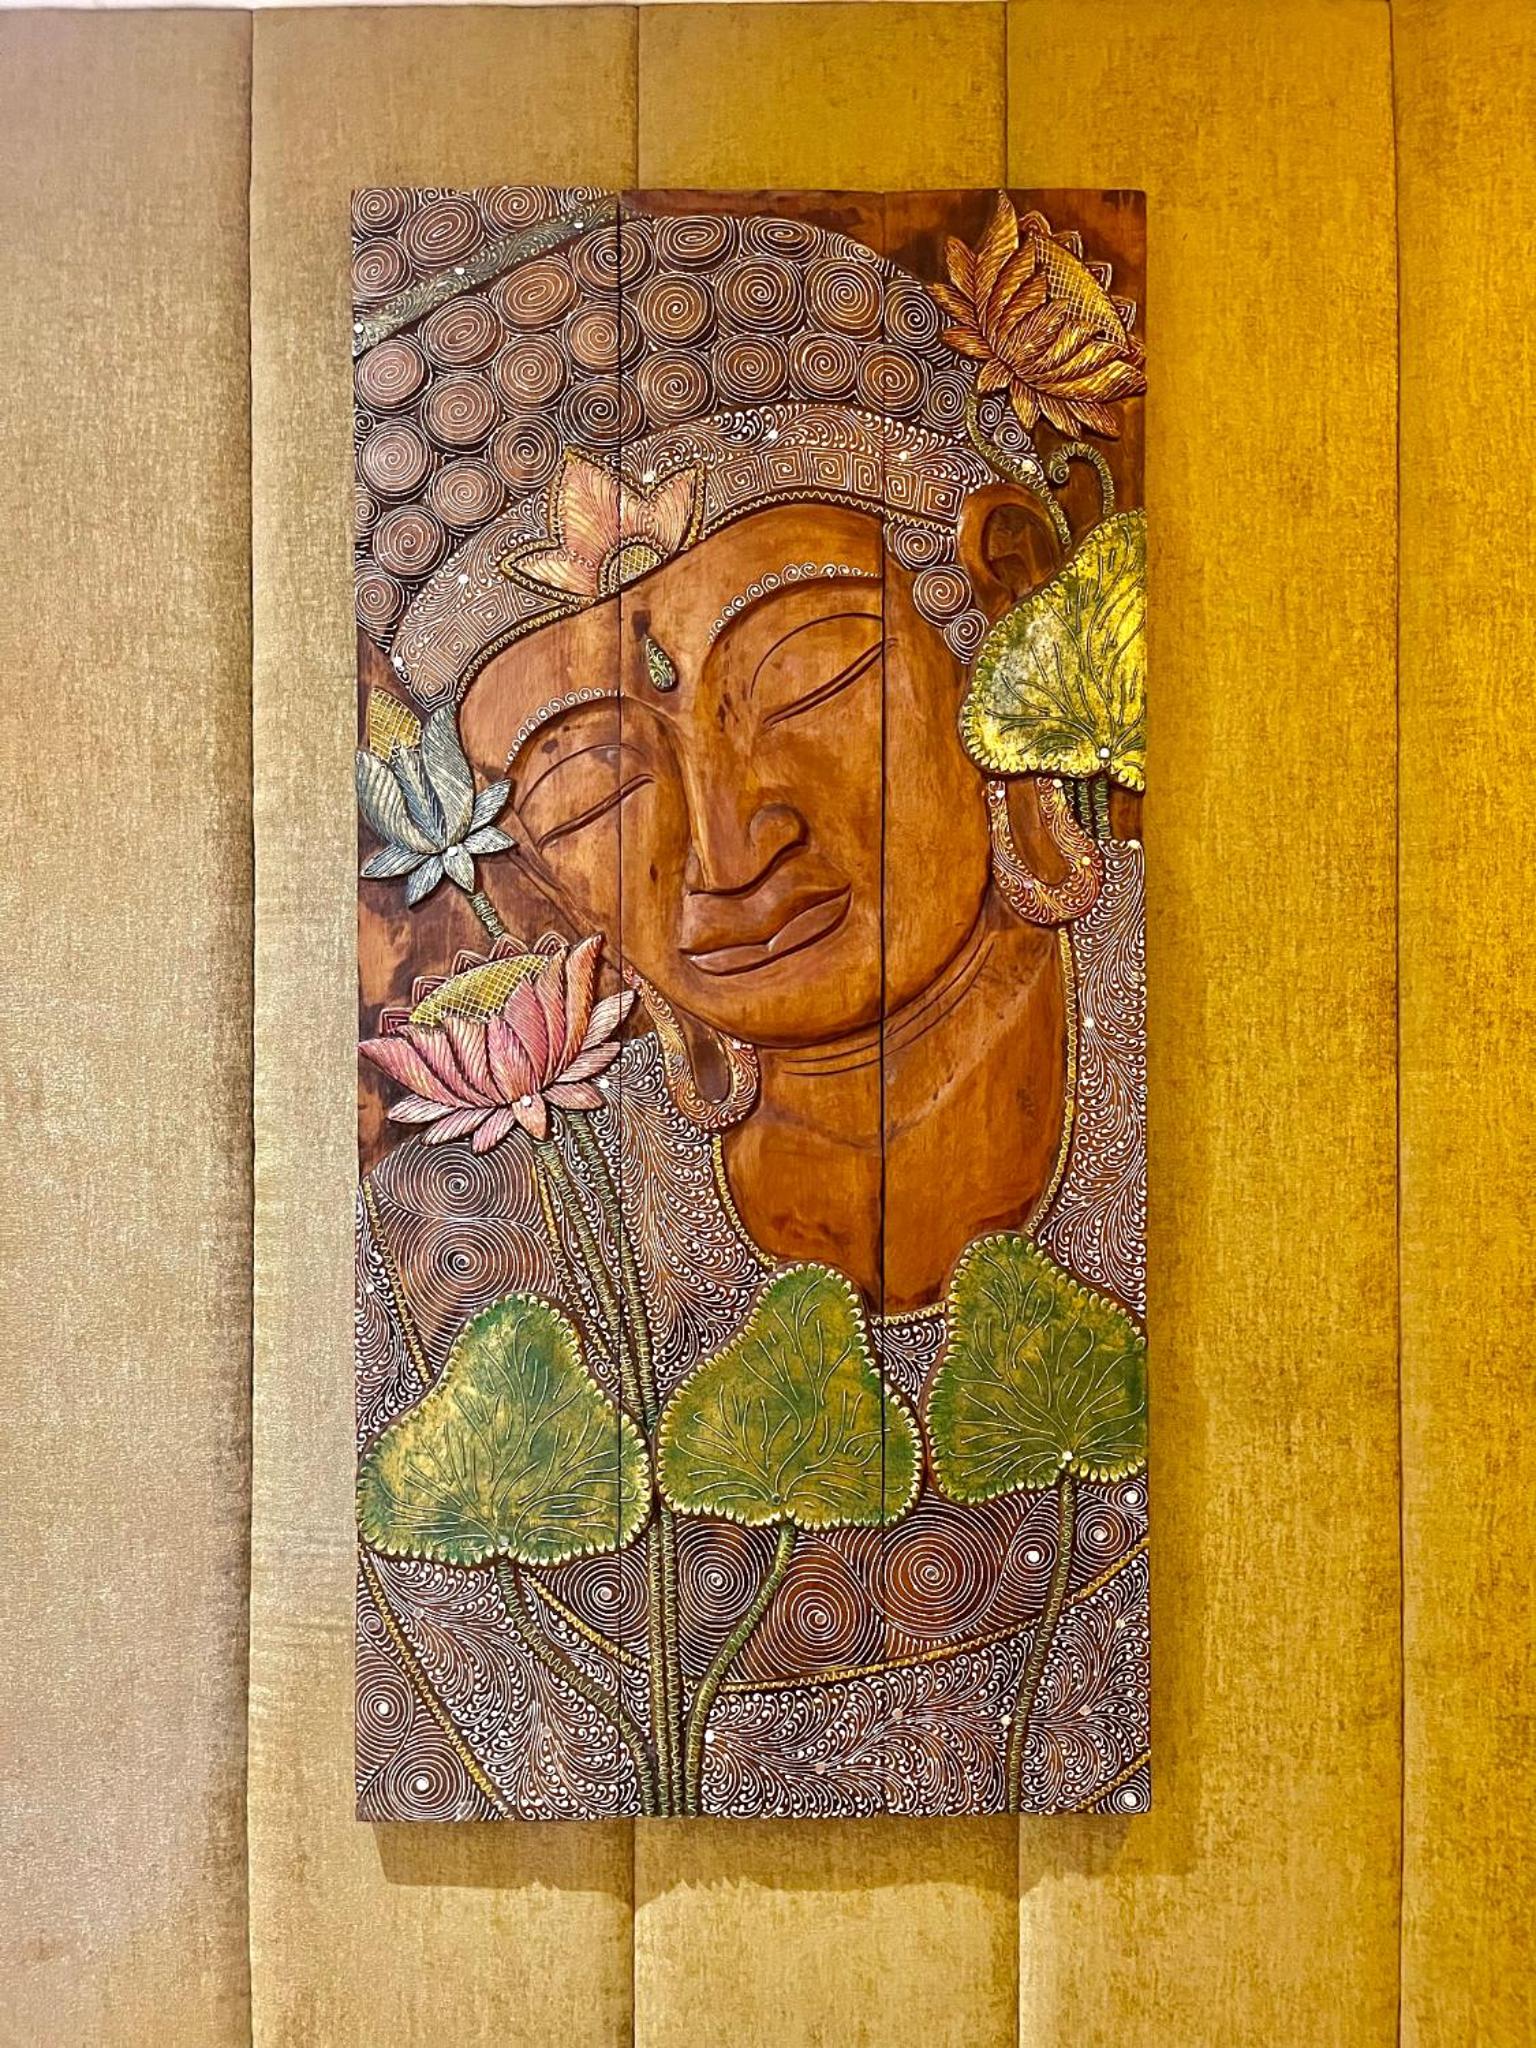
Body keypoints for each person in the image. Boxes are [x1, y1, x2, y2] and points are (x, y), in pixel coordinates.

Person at [354, 189, 1147, 1819]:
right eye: (591, 784)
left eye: (808, 678)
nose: (733, 845)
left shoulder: (1219, 1064)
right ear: (528, 878)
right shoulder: (488, 1266)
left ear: (992, 618)